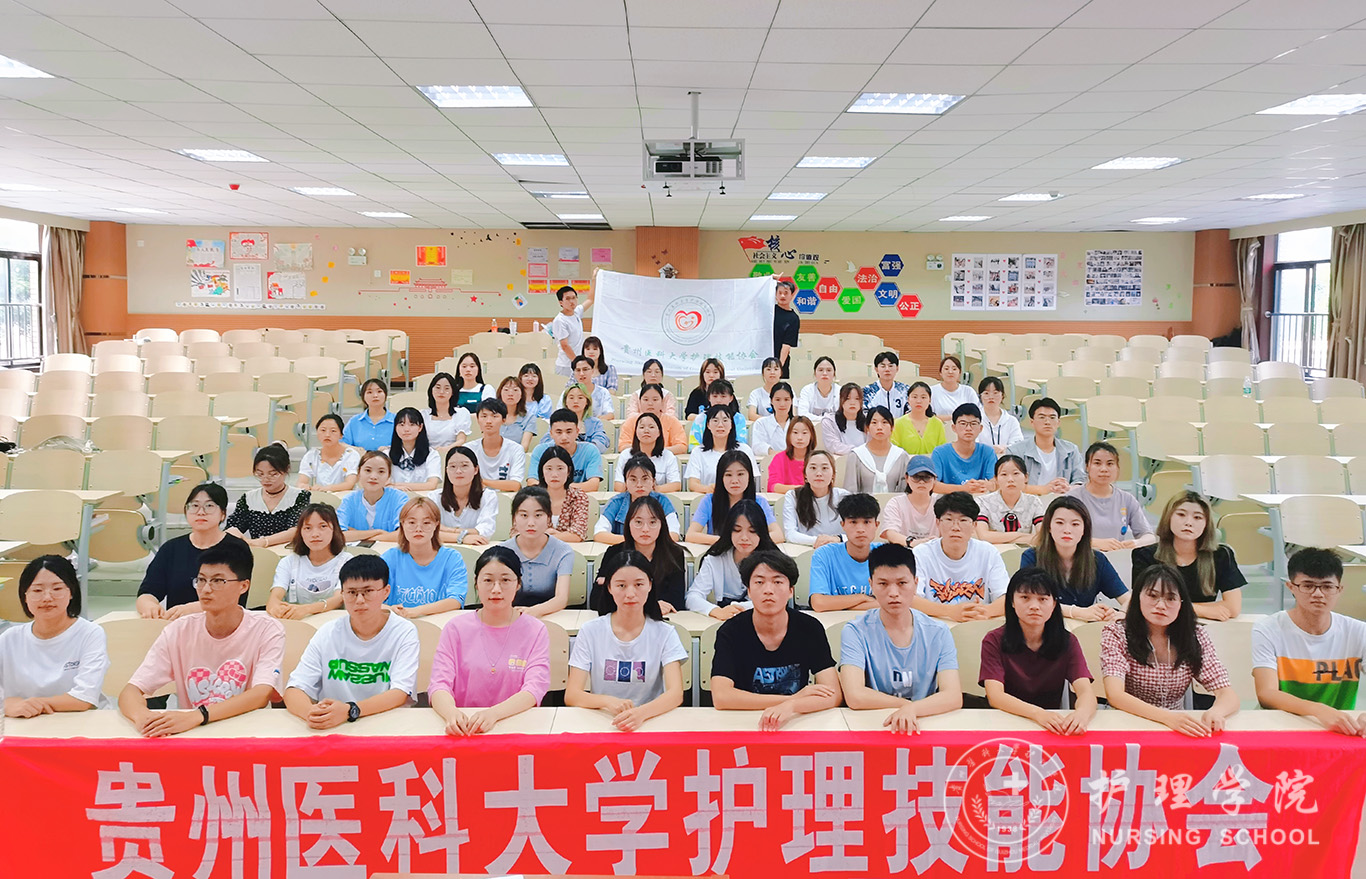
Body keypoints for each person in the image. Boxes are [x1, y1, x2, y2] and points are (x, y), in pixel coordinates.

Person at [120, 541, 285, 737]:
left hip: (247, 734)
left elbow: (261, 694)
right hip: (194, 735)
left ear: (243, 586)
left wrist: (198, 716)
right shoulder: (178, 631)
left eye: (218, 581)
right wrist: (144, 719)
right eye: (201, 580)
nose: (206, 589)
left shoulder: (267, 629)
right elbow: (131, 691)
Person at [283, 555, 421, 729]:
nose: (359, 600)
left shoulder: (403, 632)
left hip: (386, 724)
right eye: (351, 593)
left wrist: (350, 711)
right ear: (342, 594)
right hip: (334, 726)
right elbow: (294, 689)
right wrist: (312, 714)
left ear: (386, 592)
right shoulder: (328, 632)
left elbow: (400, 692)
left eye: (368, 591)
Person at [1101, 563, 1238, 737]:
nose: (1161, 605)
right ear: (1137, 597)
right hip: (1127, 722)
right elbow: (1115, 695)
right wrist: (1167, 718)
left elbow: (1227, 693)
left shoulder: (1195, 635)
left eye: (1171, 598)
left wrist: (1217, 711)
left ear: (1182, 604)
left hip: (1175, 728)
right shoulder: (1117, 632)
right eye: (1153, 596)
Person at [710, 550, 841, 730]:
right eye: (759, 582)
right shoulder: (731, 631)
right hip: (743, 722)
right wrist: (792, 700)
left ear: (790, 591)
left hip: (795, 721)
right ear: (749, 591)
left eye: (777, 582)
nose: (768, 590)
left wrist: (793, 706)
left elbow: (834, 694)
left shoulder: (810, 628)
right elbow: (721, 697)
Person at [839, 544, 962, 734]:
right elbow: (855, 696)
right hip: (873, 724)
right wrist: (906, 706)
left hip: (924, 724)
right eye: (883, 584)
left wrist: (913, 710)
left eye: (902, 583)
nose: (893, 593)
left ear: (916, 583)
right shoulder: (855, 631)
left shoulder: (938, 632)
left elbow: (953, 696)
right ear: (871, 584)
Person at [429, 546, 551, 735]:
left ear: (518, 584)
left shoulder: (535, 630)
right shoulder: (455, 628)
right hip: (465, 728)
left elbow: (534, 688)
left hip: (516, 726)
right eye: (488, 580)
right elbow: (439, 684)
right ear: (476, 583)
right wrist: (451, 714)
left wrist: (494, 714)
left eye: (505, 580)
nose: (496, 589)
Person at [566, 551, 687, 730]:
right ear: (609, 587)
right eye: (621, 585)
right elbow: (572, 694)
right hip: (603, 721)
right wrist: (607, 702)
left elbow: (675, 694)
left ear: (650, 585)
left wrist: (641, 714)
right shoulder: (590, 631)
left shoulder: (665, 633)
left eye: (639, 584)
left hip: (650, 721)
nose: (630, 593)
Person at [1253, 548, 1366, 734]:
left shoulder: (1359, 631)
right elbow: (1266, 693)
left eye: (1327, 586)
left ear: (1340, 589)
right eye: (1308, 586)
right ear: (1291, 587)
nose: (1318, 594)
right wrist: (1317, 710)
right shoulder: (1268, 629)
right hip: (1281, 726)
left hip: (1339, 731)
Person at [982, 568, 1096, 734]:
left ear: (1054, 604)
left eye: (1043, 599)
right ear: (1012, 601)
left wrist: (1082, 714)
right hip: (1005, 722)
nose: (1034, 606)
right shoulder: (993, 640)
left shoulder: (1067, 641)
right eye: (1025, 598)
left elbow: (1085, 691)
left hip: (1051, 726)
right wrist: (1037, 714)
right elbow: (995, 696)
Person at [0, 556, 108, 716]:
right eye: (37, 590)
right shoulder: (9, 638)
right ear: (25, 596)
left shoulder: (90, 633)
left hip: (80, 719)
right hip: (25, 721)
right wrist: (7, 706)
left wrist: (27, 704)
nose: (47, 598)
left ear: (71, 592)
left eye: (57, 589)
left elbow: (84, 698)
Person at [137, 483, 251, 618]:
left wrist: (193, 609)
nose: (200, 512)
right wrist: (149, 605)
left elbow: (238, 598)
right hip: (178, 624)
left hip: (223, 623)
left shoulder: (237, 549)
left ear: (223, 514)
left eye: (209, 506)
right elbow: (148, 591)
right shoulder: (171, 548)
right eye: (194, 506)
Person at [1132, 492, 1245, 620]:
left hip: (1205, 625)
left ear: (1206, 523)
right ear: (1168, 517)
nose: (1188, 523)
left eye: (1197, 517)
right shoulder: (1145, 555)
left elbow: (1233, 608)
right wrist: (1202, 610)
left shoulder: (1221, 555)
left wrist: (1178, 607)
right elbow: (1142, 603)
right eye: (1181, 515)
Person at [1021, 495, 1128, 620]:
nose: (1067, 530)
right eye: (1059, 523)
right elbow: (1028, 601)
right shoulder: (1032, 557)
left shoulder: (1097, 560)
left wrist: (1121, 613)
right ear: (1049, 527)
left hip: (1084, 626)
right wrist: (1077, 612)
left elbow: (1128, 599)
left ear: (1084, 529)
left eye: (1075, 524)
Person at [912, 492, 1009, 621]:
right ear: (938, 523)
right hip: (937, 624)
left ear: (974, 525)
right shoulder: (920, 554)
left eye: (963, 520)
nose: (955, 527)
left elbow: (1006, 597)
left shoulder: (988, 552)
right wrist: (950, 611)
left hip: (979, 624)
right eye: (949, 520)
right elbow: (911, 599)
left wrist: (985, 611)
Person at [686, 500, 779, 619]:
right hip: (725, 618)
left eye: (752, 531)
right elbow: (692, 597)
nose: (744, 537)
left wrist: (739, 608)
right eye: (737, 530)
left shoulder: (773, 562)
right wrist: (715, 611)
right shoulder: (714, 560)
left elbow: (779, 599)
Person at [594, 495, 687, 613]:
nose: (645, 529)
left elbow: (677, 602)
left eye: (652, 522)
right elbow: (596, 601)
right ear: (628, 524)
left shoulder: (674, 554)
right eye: (638, 522)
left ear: (662, 525)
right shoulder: (614, 552)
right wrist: (651, 606)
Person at [381, 497, 468, 617]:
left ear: (436, 525)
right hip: (398, 623)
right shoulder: (390, 558)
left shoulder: (452, 558)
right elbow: (370, 597)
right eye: (412, 523)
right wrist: (390, 609)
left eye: (426, 523)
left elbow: (455, 600)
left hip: (438, 624)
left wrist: (416, 611)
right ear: (402, 524)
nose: (418, 529)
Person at [267, 503, 353, 619]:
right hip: (296, 622)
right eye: (308, 528)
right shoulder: (288, 562)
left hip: (333, 622)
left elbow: (339, 599)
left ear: (335, 530)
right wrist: (276, 608)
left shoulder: (347, 561)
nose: (315, 534)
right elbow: (274, 597)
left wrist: (306, 609)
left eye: (323, 526)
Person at [500, 486, 573, 617]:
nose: (531, 523)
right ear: (514, 518)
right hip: (509, 617)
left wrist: (532, 612)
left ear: (549, 518)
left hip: (550, 616)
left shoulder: (563, 551)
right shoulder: (502, 552)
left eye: (538, 515)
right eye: (524, 515)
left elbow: (561, 599)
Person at [1067, 441, 1154, 549]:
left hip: (1116, 556)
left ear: (1117, 468)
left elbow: (1149, 536)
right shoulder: (1072, 499)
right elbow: (1061, 536)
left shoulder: (1127, 499)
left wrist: (1136, 543)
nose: (1104, 469)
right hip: (1082, 556)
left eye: (1110, 464)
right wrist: (1094, 543)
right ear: (1087, 467)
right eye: (1097, 463)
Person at [687, 449, 780, 545]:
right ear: (721, 478)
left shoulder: (759, 502)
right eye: (728, 475)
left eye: (740, 474)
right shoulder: (709, 500)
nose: (734, 480)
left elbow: (778, 535)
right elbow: (691, 535)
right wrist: (728, 541)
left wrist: (749, 541)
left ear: (749, 476)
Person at [808, 492, 883, 611]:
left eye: (867, 522)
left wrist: (840, 605)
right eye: (853, 522)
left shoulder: (887, 554)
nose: (860, 529)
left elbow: (903, 601)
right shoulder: (824, 555)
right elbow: (819, 603)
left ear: (876, 525)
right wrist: (862, 597)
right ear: (843, 525)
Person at [226, 443, 311, 547]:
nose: (265, 479)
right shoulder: (248, 499)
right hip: (257, 551)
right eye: (260, 474)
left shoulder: (299, 496)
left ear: (286, 470)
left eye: (273, 474)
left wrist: (264, 541)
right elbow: (232, 528)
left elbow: (296, 530)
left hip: (288, 552)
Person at [1006, 397, 1085, 495]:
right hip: (1028, 501)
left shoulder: (1071, 450)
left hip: (1063, 500)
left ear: (1058, 423)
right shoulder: (1015, 451)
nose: (1047, 422)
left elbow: (1080, 482)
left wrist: (1068, 488)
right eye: (1042, 417)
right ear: (1032, 422)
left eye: (1052, 417)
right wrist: (1045, 489)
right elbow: (1011, 485)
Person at [595, 455, 682, 543]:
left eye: (645, 479)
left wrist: (644, 543)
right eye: (633, 480)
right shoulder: (616, 502)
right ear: (625, 483)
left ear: (653, 481)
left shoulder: (663, 501)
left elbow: (674, 535)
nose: (639, 485)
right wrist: (636, 541)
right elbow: (599, 533)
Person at [429, 446, 498, 546]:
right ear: (446, 471)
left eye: (464, 465)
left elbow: (485, 530)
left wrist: (447, 530)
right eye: (453, 466)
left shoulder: (488, 496)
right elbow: (427, 531)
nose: (458, 471)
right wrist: (462, 537)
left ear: (476, 469)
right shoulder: (434, 497)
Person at [684, 404, 759, 492]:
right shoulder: (698, 452)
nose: (720, 425)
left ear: (731, 425)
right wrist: (710, 489)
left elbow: (751, 482)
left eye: (725, 420)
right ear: (708, 425)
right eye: (715, 420)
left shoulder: (744, 450)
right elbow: (692, 484)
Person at [975, 454, 1046, 546]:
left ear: (1026, 477)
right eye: (1004, 474)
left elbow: (1042, 538)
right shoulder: (983, 502)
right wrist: (1022, 536)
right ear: (996, 479)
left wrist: (997, 538)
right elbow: (984, 536)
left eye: (1016, 473)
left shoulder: (1034, 502)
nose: (1010, 479)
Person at [337, 451, 407, 542]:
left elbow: (403, 535)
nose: (373, 477)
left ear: (388, 476)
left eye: (381, 471)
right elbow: (338, 535)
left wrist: (357, 535)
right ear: (359, 472)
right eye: (368, 470)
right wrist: (378, 532)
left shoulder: (399, 498)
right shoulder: (349, 500)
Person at [783, 450, 849, 547]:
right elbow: (790, 534)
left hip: (837, 548)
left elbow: (857, 532)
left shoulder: (843, 496)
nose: (819, 473)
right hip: (805, 549)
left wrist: (837, 539)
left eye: (824, 468)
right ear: (805, 474)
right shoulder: (793, 496)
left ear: (833, 474)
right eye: (813, 468)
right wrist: (821, 541)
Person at [527, 408, 603, 491]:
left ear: (577, 432)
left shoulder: (590, 450)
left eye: (569, 432)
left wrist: (558, 487)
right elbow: (532, 482)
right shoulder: (540, 451)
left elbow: (593, 485)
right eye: (559, 432)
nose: (564, 437)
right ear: (551, 433)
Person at [931, 404, 997, 494]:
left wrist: (985, 485)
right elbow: (933, 485)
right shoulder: (940, 452)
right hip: (949, 500)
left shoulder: (988, 452)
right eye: (963, 424)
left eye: (973, 424)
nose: (968, 428)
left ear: (980, 428)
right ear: (954, 427)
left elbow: (996, 482)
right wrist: (964, 488)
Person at [466, 398, 527, 491]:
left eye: (494, 416)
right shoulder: (468, 449)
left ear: (504, 420)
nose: (488, 421)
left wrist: (481, 482)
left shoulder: (516, 449)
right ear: (477, 419)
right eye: (484, 416)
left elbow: (515, 485)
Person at [613, 411, 682, 492]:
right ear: (636, 432)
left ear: (659, 432)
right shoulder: (625, 455)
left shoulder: (668, 455)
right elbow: (618, 485)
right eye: (642, 427)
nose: (646, 431)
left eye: (651, 427)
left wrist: (651, 489)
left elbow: (676, 485)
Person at [846, 406, 910, 493]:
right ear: (867, 427)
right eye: (874, 423)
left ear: (892, 427)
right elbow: (850, 492)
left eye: (884, 422)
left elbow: (905, 491)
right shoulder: (856, 455)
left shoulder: (901, 456)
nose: (879, 427)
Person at [879, 456, 939, 548]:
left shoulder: (941, 503)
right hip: (903, 552)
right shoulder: (896, 503)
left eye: (927, 477)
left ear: (935, 480)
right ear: (907, 478)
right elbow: (890, 533)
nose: (921, 482)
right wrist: (913, 543)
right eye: (916, 477)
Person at [537, 444, 590, 542]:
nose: (554, 474)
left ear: (568, 471)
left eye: (560, 468)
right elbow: (517, 533)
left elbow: (577, 534)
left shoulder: (578, 496)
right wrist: (562, 536)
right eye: (549, 469)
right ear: (542, 471)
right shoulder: (531, 496)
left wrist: (545, 537)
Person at [298, 413, 360, 492]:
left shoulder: (351, 455)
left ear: (341, 435)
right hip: (320, 497)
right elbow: (301, 482)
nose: (327, 435)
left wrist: (327, 489)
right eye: (323, 430)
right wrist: (305, 486)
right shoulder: (311, 455)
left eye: (333, 431)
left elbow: (349, 484)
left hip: (344, 496)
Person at [617, 386, 687, 457]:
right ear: (640, 402)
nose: (650, 403)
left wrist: (658, 451)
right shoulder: (631, 421)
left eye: (655, 399)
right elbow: (622, 446)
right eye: (646, 399)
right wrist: (645, 451)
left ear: (662, 402)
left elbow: (682, 446)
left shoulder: (672, 421)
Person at [387, 407, 442, 492]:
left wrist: (395, 486)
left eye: (412, 424)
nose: (406, 429)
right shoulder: (386, 454)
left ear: (420, 427)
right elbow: (382, 484)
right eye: (401, 424)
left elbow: (432, 485)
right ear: (395, 427)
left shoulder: (432, 454)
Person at [687, 379, 749, 449]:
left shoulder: (738, 418)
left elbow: (741, 443)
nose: (718, 400)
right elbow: (694, 445)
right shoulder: (701, 418)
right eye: (715, 396)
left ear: (731, 398)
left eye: (723, 396)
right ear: (709, 397)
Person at [890, 381, 948, 456]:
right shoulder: (898, 424)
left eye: (923, 397)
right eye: (914, 397)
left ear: (929, 400)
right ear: (908, 399)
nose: (919, 401)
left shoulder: (937, 424)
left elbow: (942, 451)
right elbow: (895, 452)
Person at [551, 281, 595, 377]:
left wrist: (594, 279)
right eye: (568, 299)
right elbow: (565, 345)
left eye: (574, 298)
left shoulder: (576, 312)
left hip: (577, 364)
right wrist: (577, 362)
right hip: (566, 365)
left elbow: (590, 299)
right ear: (561, 302)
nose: (572, 301)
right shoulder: (560, 320)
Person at [553, 381, 610, 451]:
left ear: (587, 401)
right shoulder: (557, 421)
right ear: (565, 402)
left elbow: (602, 442)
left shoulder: (595, 423)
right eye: (571, 398)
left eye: (580, 398)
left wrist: (583, 450)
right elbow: (547, 442)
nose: (575, 401)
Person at [423, 371, 472, 452]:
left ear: (452, 392)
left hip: (453, 454)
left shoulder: (461, 413)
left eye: (446, 388)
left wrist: (445, 450)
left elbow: (461, 440)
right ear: (431, 390)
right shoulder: (423, 415)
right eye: (438, 388)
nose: (441, 392)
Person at [343, 378, 396, 451]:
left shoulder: (397, 420)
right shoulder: (354, 421)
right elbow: (342, 444)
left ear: (385, 395)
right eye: (369, 392)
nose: (375, 395)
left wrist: (389, 449)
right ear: (363, 397)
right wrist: (356, 450)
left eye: (379, 391)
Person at [767, 415, 816, 493]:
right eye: (795, 433)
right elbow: (773, 486)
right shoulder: (779, 459)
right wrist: (800, 490)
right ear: (789, 435)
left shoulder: (818, 459)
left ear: (811, 436)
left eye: (804, 433)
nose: (799, 437)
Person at [977, 376, 1023, 453]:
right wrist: (991, 449)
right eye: (986, 393)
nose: (991, 397)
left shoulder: (1011, 421)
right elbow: (971, 445)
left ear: (1002, 396)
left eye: (995, 393)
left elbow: (1018, 445)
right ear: (980, 396)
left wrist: (1004, 448)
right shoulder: (974, 420)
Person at [820, 382, 867, 457]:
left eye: (857, 399)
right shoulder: (829, 421)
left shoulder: (869, 421)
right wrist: (858, 451)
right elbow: (833, 446)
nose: (852, 402)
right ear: (841, 400)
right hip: (840, 461)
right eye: (847, 398)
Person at [750, 381, 795, 458]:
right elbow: (757, 447)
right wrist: (775, 453)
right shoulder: (761, 423)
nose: (782, 404)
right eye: (777, 400)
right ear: (771, 401)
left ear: (792, 401)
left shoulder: (798, 424)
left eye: (786, 399)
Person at [931, 355, 980, 422]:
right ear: (940, 373)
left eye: (954, 369)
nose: (950, 372)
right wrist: (956, 417)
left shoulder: (968, 391)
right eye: (946, 369)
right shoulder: (932, 391)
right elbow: (928, 416)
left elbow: (976, 414)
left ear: (959, 373)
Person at [863, 351, 910, 418]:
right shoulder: (867, 392)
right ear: (876, 369)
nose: (887, 369)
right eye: (883, 366)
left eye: (890, 366)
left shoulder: (905, 390)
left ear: (897, 368)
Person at [496, 375, 539, 448]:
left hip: (516, 454)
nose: (510, 394)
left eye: (515, 390)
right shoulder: (491, 415)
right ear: (500, 393)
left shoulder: (529, 418)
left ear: (521, 394)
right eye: (506, 390)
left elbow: (524, 447)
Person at [571, 355, 616, 419]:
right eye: (578, 370)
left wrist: (593, 422)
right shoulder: (568, 393)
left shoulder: (603, 392)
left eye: (585, 369)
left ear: (592, 371)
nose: (581, 373)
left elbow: (610, 415)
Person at [774, 278, 800, 379]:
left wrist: (778, 367)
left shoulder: (793, 318)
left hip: (780, 362)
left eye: (786, 293)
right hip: (762, 359)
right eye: (779, 293)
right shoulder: (770, 311)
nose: (782, 296)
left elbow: (786, 346)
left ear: (792, 295)